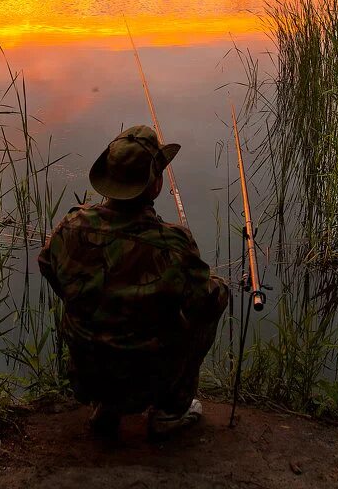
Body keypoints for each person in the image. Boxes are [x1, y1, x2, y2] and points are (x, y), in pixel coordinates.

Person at [38, 125, 229, 440]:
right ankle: (170, 410)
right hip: (149, 380)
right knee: (216, 293)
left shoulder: (71, 226)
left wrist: (88, 299)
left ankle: (106, 406)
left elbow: (47, 265)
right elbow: (205, 301)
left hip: (86, 376)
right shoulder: (172, 244)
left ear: (109, 180)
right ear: (154, 186)